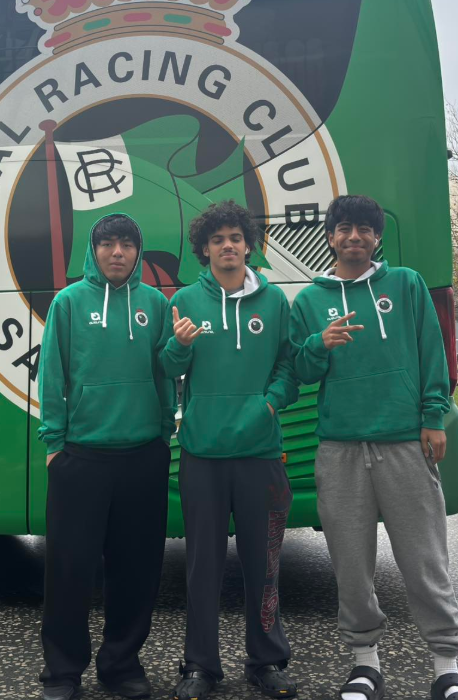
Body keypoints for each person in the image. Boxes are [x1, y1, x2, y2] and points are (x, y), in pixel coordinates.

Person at [290, 195, 458, 700]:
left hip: (403, 442)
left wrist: (433, 416)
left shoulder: (406, 284)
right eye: (344, 228)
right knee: (350, 563)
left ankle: (446, 666)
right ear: (330, 237)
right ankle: (364, 664)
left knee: (424, 558)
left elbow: (430, 352)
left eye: (364, 230)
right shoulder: (310, 300)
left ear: (377, 238)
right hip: (341, 446)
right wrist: (317, 346)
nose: (354, 237)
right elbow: (298, 371)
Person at [160, 200, 300, 700]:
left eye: (235, 237)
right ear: (204, 249)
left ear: (248, 245)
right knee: (203, 567)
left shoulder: (274, 302)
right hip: (203, 454)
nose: (227, 246)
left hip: (261, 453)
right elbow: (168, 367)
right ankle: (199, 667)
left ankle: (266, 661)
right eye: (217, 239)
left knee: (264, 566)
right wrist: (177, 347)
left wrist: (270, 403)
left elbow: (289, 366)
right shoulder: (185, 301)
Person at [36, 213, 176, 700]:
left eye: (127, 245)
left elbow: (164, 373)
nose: (117, 252)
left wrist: (163, 435)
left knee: (136, 569)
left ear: (138, 253)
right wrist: (55, 444)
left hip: (143, 456)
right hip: (81, 457)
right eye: (108, 244)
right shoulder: (68, 302)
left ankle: (121, 665)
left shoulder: (156, 304)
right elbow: (52, 374)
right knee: (69, 569)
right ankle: (62, 672)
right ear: (93, 251)